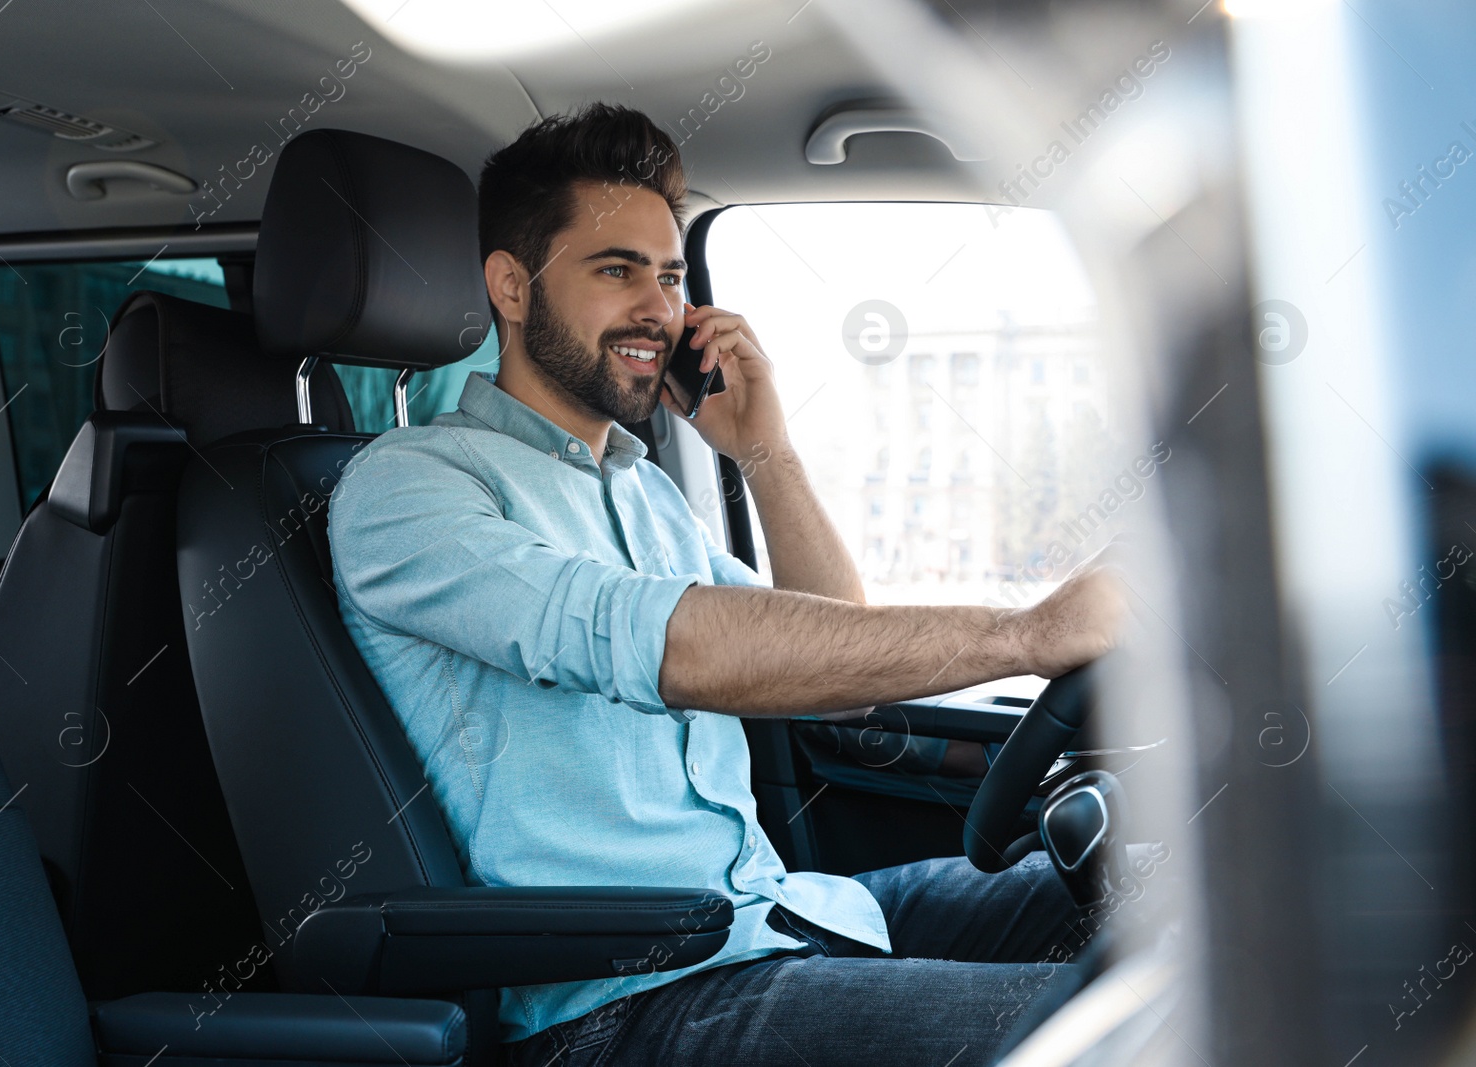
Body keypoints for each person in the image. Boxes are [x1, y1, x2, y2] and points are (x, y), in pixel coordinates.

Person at [327, 103, 1128, 1066]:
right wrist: (1029, 632)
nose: (660, 309)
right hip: (622, 1000)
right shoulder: (410, 488)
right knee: (1105, 1032)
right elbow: (668, 643)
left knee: (1173, 901)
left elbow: (840, 652)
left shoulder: (645, 490)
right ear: (510, 283)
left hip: (775, 915)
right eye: (615, 269)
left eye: (669, 275)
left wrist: (766, 453)